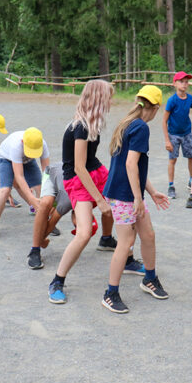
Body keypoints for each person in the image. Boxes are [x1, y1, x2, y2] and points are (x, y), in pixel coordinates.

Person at [100, 85, 170, 313]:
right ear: (156, 108)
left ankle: (149, 278)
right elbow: (131, 164)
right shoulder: (140, 127)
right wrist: (138, 198)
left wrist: (151, 192)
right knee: (126, 242)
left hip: (129, 193)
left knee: (148, 235)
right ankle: (110, 293)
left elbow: (134, 167)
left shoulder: (129, 122)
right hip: (124, 195)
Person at [47, 80, 115, 303]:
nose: (111, 102)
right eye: (108, 98)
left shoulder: (93, 123)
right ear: (98, 99)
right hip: (78, 179)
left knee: (123, 204)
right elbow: (78, 167)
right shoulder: (81, 127)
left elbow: (89, 160)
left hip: (95, 171)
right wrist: (100, 201)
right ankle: (57, 280)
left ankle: (108, 240)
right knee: (84, 233)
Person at [28, 164, 146, 275]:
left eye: (76, 227)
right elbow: (52, 223)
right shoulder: (66, 202)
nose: (76, 225)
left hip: (72, 181)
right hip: (53, 171)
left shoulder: (86, 203)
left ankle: (106, 239)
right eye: (77, 226)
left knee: (108, 204)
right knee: (46, 204)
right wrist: (42, 241)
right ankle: (34, 249)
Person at [0, 127, 50, 240]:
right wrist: (32, 199)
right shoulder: (16, 146)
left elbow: (46, 172)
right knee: (5, 190)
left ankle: (45, 221)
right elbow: (19, 176)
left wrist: (48, 192)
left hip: (27, 161)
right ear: (23, 142)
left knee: (40, 186)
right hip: (6, 158)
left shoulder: (43, 144)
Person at [162, 71, 192, 199]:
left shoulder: (190, 99)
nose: (184, 84)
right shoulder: (172, 100)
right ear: (174, 83)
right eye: (181, 82)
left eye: (186, 82)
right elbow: (164, 121)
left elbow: (186, 112)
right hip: (173, 134)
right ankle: (171, 185)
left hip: (187, 133)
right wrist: (167, 140)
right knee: (172, 159)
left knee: (191, 157)